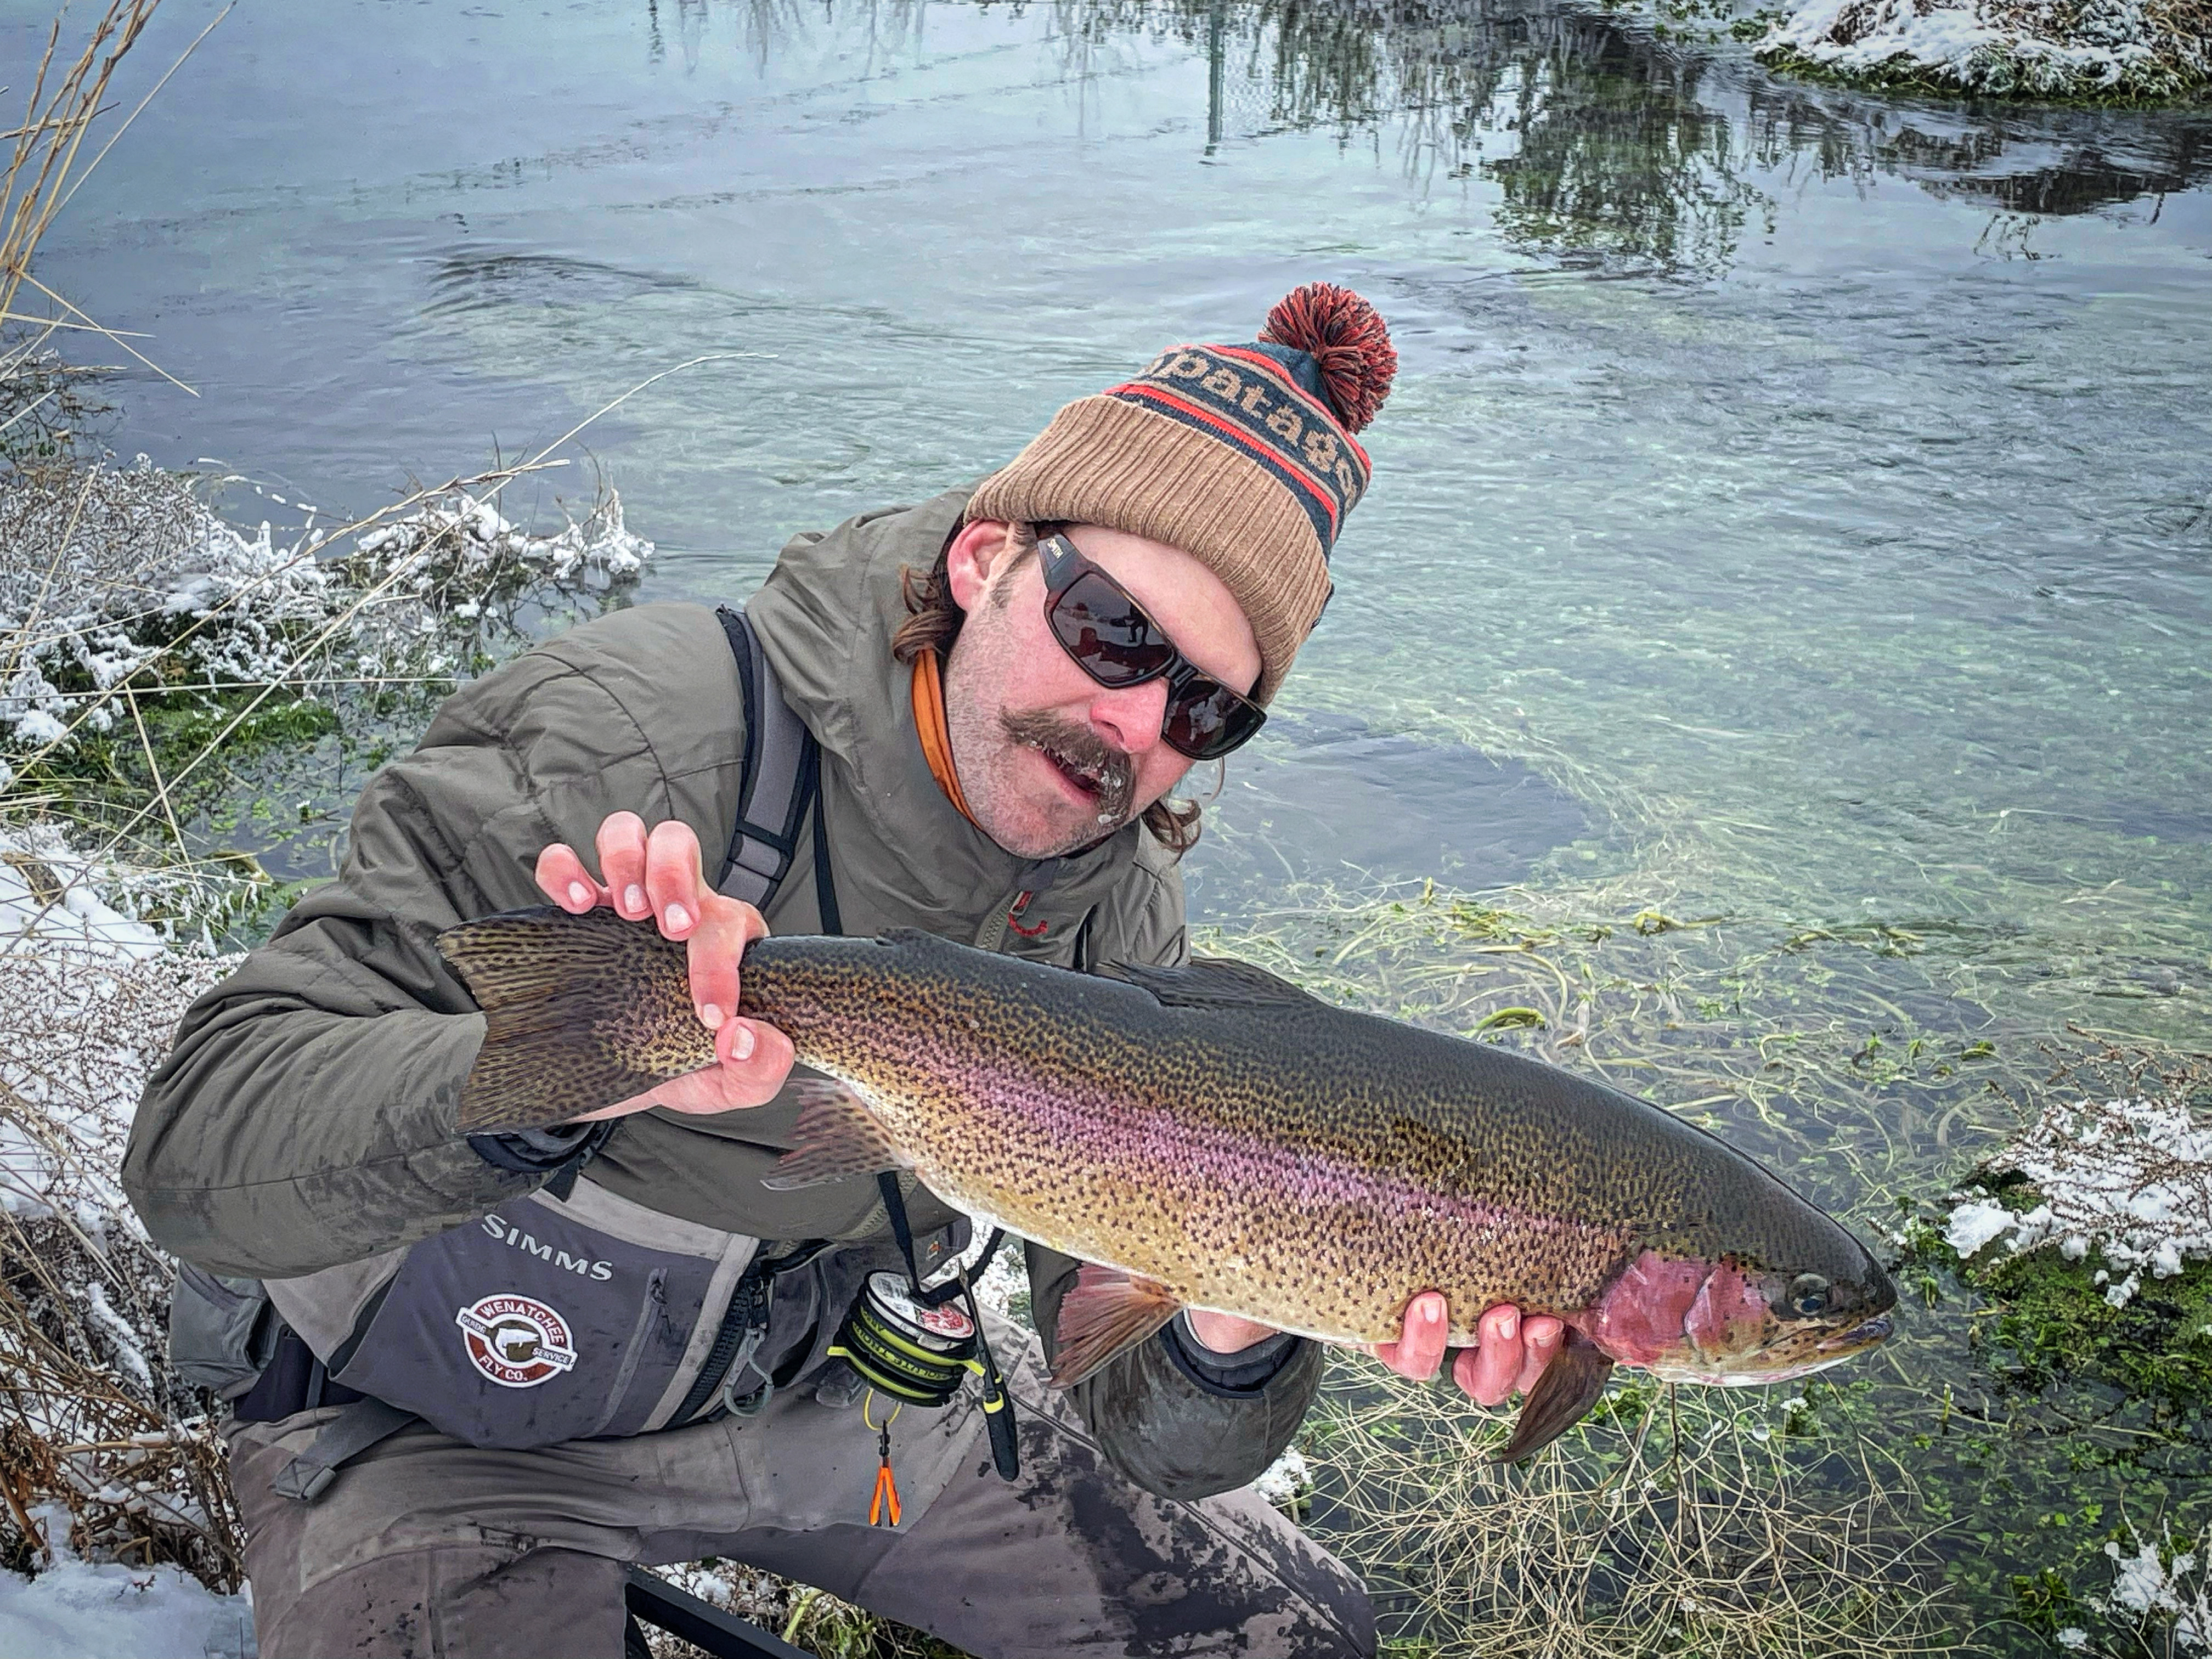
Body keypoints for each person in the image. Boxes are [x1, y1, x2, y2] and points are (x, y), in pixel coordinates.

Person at [123, 284, 1564, 1659]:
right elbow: (196, 1150)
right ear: (984, 557)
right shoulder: (639, 732)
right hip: (427, 1428)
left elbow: (1142, 1420)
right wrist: (567, 1065)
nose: (1133, 722)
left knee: (1300, 1639)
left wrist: (1237, 1311)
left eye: (1206, 707)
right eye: (1110, 630)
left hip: (839, 1412)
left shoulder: (1116, 913)